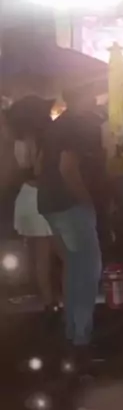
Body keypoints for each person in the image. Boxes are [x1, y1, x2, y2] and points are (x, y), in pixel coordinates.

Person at [37, 84, 106, 349]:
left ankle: (72, 329)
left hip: (49, 202)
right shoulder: (75, 126)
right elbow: (68, 168)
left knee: (74, 267)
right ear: (84, 97)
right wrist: (86, 201)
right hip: (70, 204)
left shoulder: (56, 125)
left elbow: (39, 165)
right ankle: (82, 335)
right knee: (88, 268)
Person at [6, 96, 63, 312]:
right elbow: (41, 172)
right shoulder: (44, 140)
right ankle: (62, 299)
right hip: (43, 197)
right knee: (63, 252)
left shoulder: (19, 142)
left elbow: (17, 170)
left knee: (41, 256)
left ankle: (49, 301)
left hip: (26, 196)